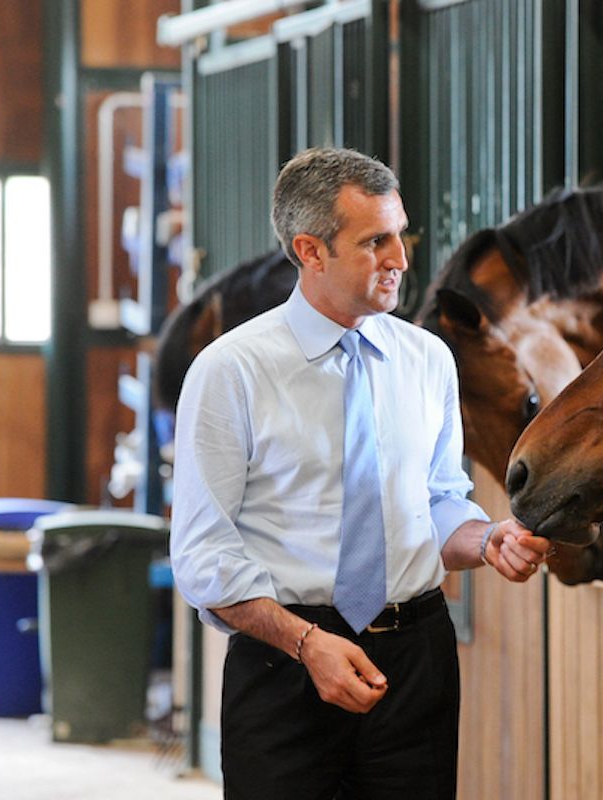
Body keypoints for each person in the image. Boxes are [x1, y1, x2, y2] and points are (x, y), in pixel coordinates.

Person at [170, 146, 552, 800]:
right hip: (283, 665)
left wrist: (488, 540)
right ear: (310, 251)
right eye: (376, 240)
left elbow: (438, 503)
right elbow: (202, 556)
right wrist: (306, 644)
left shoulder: (427, 360)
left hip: (417, 661)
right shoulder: (231, 371)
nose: (401, 259)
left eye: (401, 234)